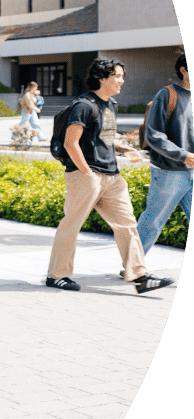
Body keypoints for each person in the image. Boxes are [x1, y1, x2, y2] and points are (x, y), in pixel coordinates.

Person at [46, 58, 172, 294]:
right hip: (86, 175)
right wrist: (87, 173)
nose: (122, 80)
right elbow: (71, 143)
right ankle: (57, 275)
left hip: (112, 177)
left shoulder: (111, 104)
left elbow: (105, 139)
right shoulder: (83, 105)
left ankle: (139, 276)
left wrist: (124, 149)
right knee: (71, 225)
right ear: (101, 78)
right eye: (117, 75)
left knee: (127, 225)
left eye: (122, 76)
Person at [136, 52, 192, 257]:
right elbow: (154, 134)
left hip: (192, 171)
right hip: (170, 172)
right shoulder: (167, 94)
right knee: (153, 220)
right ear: (183, 70)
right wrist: (183, 155)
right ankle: (133, 265)